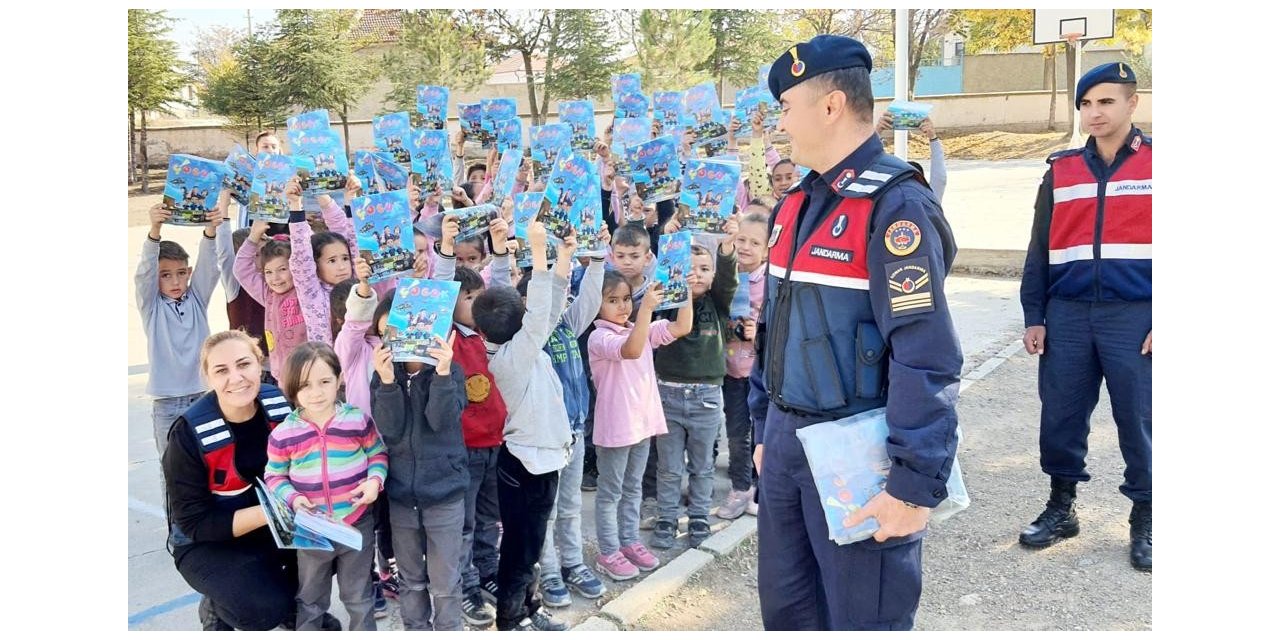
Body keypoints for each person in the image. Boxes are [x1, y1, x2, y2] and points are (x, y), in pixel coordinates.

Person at [748, 35, 963, 631]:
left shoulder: (895, 206)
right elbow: (777, 327)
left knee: (863, 617)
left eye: (786, 107)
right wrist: (765, 426)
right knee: (789, 612)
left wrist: (913, 485)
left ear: (831, 105)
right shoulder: (795, 203)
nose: (780, 123)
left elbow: (927, 356)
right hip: (788, 444)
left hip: (857, 449)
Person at [1018, 61, 1151, 571]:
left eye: (1106, 101)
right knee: (1061, 417)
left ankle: (1147, 516)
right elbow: (1038, 250)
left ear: (1132, 103)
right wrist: (1035, 314)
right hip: (1067, 314)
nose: (1094, 113)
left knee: (1140, 421)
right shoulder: (1061, 170)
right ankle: (1061, 507)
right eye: (1087, 104)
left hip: (1135, 317)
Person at [161, 330, 316, 630]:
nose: (236, 377)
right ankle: (219, 606)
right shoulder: (187, 433)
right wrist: (272, 513)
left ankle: (290, 602)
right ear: (208, 378)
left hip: (271, 529)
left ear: (260, 365)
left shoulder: (282, 406)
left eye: (244, 364)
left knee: (334, 548)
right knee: (260, 610)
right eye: (221, 370)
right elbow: (193, 523)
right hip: (207, 542)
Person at [471, 220, 573, 631]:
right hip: (525, 464)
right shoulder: (509, 360)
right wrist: (537, 250)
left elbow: (546, 311)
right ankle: (512, 618)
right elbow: (538, 316)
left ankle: (525, 607)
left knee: (526, 543)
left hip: (541, 459)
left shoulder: (513, 348)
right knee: (520, 546)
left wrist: (562, 260)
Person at [265, 342, 388, 630]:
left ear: (338, 379)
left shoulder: (356, 420)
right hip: (311, 531)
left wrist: (374, 481)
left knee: (358, 595)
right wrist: (293, 499)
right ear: (292, 387)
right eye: (306, 385)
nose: (316, 392)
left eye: (324, 382)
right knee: (310, 598)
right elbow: (274, 476)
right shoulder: (285, 434)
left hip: (355, 524)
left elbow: (377, 454)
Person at [432, 211, 516, 627]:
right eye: (469, 299)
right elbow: (439, 286)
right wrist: (446, 249)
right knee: (462, 524)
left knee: (489, 519)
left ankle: (487, 573)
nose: (479, 304)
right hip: (461, 451)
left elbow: (501, 291)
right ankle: (465, 584)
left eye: (480, 298)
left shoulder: (493, 335)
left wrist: (500, 248)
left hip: (494, 446)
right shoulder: (446, 337)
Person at [588, 273, 693, 578]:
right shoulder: (599, 337)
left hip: (642, 424)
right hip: (616, 428)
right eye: (612, 300)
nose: (622, 306)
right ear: (596, 306)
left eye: (625, 299)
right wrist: (645, 309)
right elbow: (630, 350)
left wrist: (682, 293)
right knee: (611, 492)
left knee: (633, 488)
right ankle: (608, 551)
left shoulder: (639, 328)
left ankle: (629, 541)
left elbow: (681, 326)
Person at [370, 320, 469, 630]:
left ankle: (449, 629)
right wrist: (387, 382)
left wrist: (441, 374)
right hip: (401, 495)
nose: (400, 337)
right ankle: (416, 628)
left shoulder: (450, 370)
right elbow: (391, 428)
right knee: (410, 578)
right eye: (388, 331)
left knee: (445, 581)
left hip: (444, 494)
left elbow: (442, 421)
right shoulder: (384, 374)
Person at [652, 228, 740, 550]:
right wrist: (670, 237)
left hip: (705, 397)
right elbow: (658, 276)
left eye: (704, 269)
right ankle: (666, 517)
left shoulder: (718, 303)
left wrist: (727, 246)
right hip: (668, 394)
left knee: (702, 466)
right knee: (669, 467)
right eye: (690, 268)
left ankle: (700, 516)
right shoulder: (667, 303)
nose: (697, 275)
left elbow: (729, 280)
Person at [137, 194, 231, 454]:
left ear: (188, 273)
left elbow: (209, 265)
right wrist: (155, 230)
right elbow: (145, 271)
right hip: (167, 403)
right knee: (172, 469)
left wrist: (211, 229)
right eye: (166, 275)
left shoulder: (196, 298)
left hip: (202, 396)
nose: (175, 281)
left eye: (181, 273)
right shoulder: (151, 306)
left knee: (208, 463)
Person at [716, 208, 771, 519]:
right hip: (727, 369)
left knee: (758, 433)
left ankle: (754, 486)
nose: (746, 247)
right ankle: (741, 484)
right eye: (741, 240)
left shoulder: (772, 281)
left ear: (767, 249)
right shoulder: (725, 275)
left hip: (759, 372)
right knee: (736, 432)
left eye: (755, 242)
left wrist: (758, 330)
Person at [876, 112, 948, 201]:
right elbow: (940, 178)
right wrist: (932, 137)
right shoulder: (929, 199)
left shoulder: (929, 199)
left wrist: (877, 133)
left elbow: (940, 179)